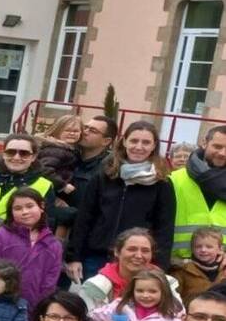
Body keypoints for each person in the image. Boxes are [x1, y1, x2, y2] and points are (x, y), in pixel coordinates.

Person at [69, 120, 174, 280]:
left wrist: (159, 267)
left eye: (146, 142)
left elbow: (164, 228)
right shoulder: (104, 174)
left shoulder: (162, 182)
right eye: (133, 140)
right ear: (124, 141)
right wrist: (74, 257)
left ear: (154, 146)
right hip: (96, 257)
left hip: (138, 262)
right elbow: (85, 217)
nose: (138, 147)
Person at [0, 188, 63, 311]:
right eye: (18, 208)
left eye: (29, 206)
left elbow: (50, 283)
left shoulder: (53, 244)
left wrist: (41, 308)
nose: (24, 212)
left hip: (32, 310)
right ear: (11, 212)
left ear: (41, 207)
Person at [80, 228, 180, 312]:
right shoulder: (95, 286)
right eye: (132, 249)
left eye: (145, 251)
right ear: (117, 252)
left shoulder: (167, 283)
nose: (138, 256)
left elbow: (179, 318)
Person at [171, 125, 226, 263]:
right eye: (217, 146)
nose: (222, 153)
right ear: (204, 143)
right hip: (178, 265)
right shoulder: (175, 179)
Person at [0, 134, 54, 224]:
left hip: (16, 237)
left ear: (33, 157)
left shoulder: (44, 185)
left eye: (24, 153)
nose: (16, 157)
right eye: (11, 152)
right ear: (3, 154)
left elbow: (46, 223)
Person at [35, 114, 81, 237]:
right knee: (63, 217)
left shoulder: (69, 149)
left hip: (56, 191)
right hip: (51, 191)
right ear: (57, 131)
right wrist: (63, 185)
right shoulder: (57, 149)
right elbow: (44, 169)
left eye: (76, 131)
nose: (72, 133)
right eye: (68, 130)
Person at [67, 115, 116, 216]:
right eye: (85, 127)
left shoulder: (109, 169)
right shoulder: (65, 155)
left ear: (106, 141)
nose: (85, 132)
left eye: (92, 131)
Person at [172, 227, 226, 305]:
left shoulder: (224, 270)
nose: (203, 250)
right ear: (192, 249)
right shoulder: (181, 271)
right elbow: (173, 301)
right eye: (198, 246)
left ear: (220, 249)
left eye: (209, 247)